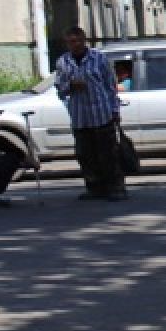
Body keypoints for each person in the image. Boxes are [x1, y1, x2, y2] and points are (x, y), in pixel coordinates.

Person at [52, 26, 126, 201]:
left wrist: (115, 110)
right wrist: (70, 86)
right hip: (80, 117)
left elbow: (110, 86)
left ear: (84, 40)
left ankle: (116, 188)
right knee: (86, 155)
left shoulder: (99, 58)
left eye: (78, 41)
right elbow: (60, 89)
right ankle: (94, 187)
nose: (75, 45)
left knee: (108, 154)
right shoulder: (63, 62)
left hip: (101, 114)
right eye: (71, 42)